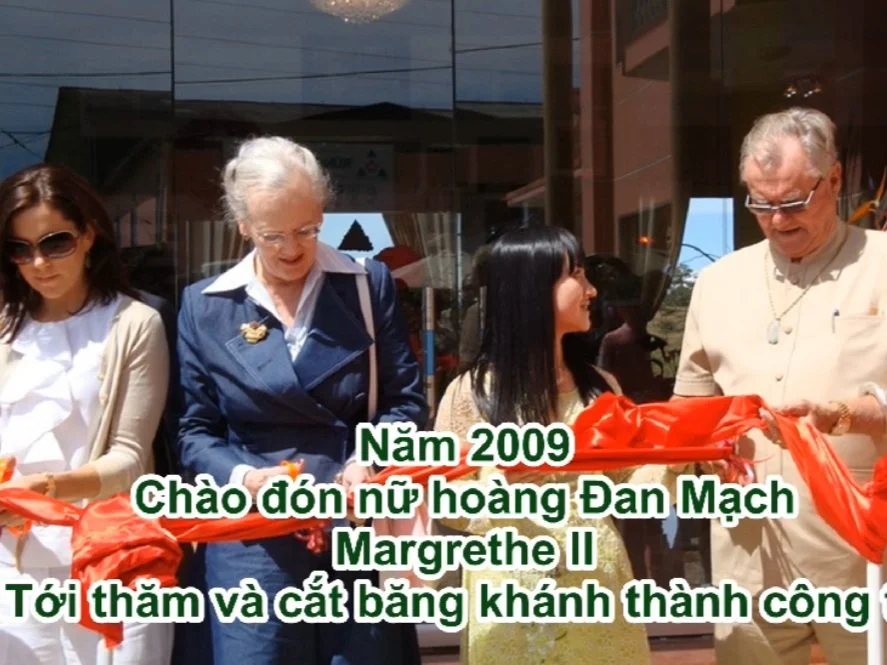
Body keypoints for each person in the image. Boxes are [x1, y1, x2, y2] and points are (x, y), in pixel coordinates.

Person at [173, 137, 428, 665]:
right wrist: (245, 479)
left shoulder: (365, 284)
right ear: (242, 225)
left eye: (308, 230)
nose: (292, 249)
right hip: (252, 538)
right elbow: (194, 432)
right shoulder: (205, 307)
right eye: (273, 235)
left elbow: (404, 402)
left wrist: (369, 462)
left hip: (356, 526)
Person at [674, 107, 887, 664]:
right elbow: (689, 406)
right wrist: (702, 451)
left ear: (834, 179)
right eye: (760, 203)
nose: (777, 220)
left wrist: (846, 414)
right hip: (750, 559)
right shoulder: (718, 282)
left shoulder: (882, 266)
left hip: (865, 560)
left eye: (793, 201)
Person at [433, 226, 680, 665]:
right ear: (533, 289)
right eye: (577, 276)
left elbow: (632, 482)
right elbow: (445, 499)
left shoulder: (601, 388)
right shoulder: (471, 393)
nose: (591, 290)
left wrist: (683, 462)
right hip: (511, 593)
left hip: (597, 584)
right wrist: (498, 486)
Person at [0, 164, 172, 664]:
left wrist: (46, 492)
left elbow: (130, 459)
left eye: (55, 243)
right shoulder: (5, 326)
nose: (38, 263)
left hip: (110, 558)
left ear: (89, 235)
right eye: (20, 248)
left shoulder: (133, 324)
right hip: (13, 567)